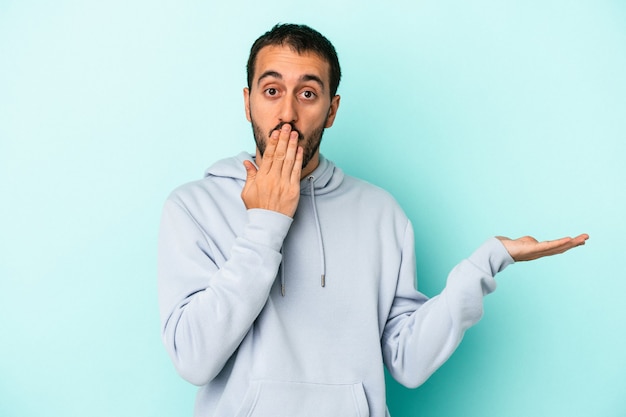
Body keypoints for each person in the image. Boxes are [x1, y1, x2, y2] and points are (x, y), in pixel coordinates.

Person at [157, 23, 588, 417]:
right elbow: (194, 358)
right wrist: (266, 224)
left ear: (331, 110)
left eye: (308, 94)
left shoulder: (381, 212)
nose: (287, 113)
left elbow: (409, 361)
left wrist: (486, 263)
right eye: (271, 91)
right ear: (247, 102)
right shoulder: (194, 207)